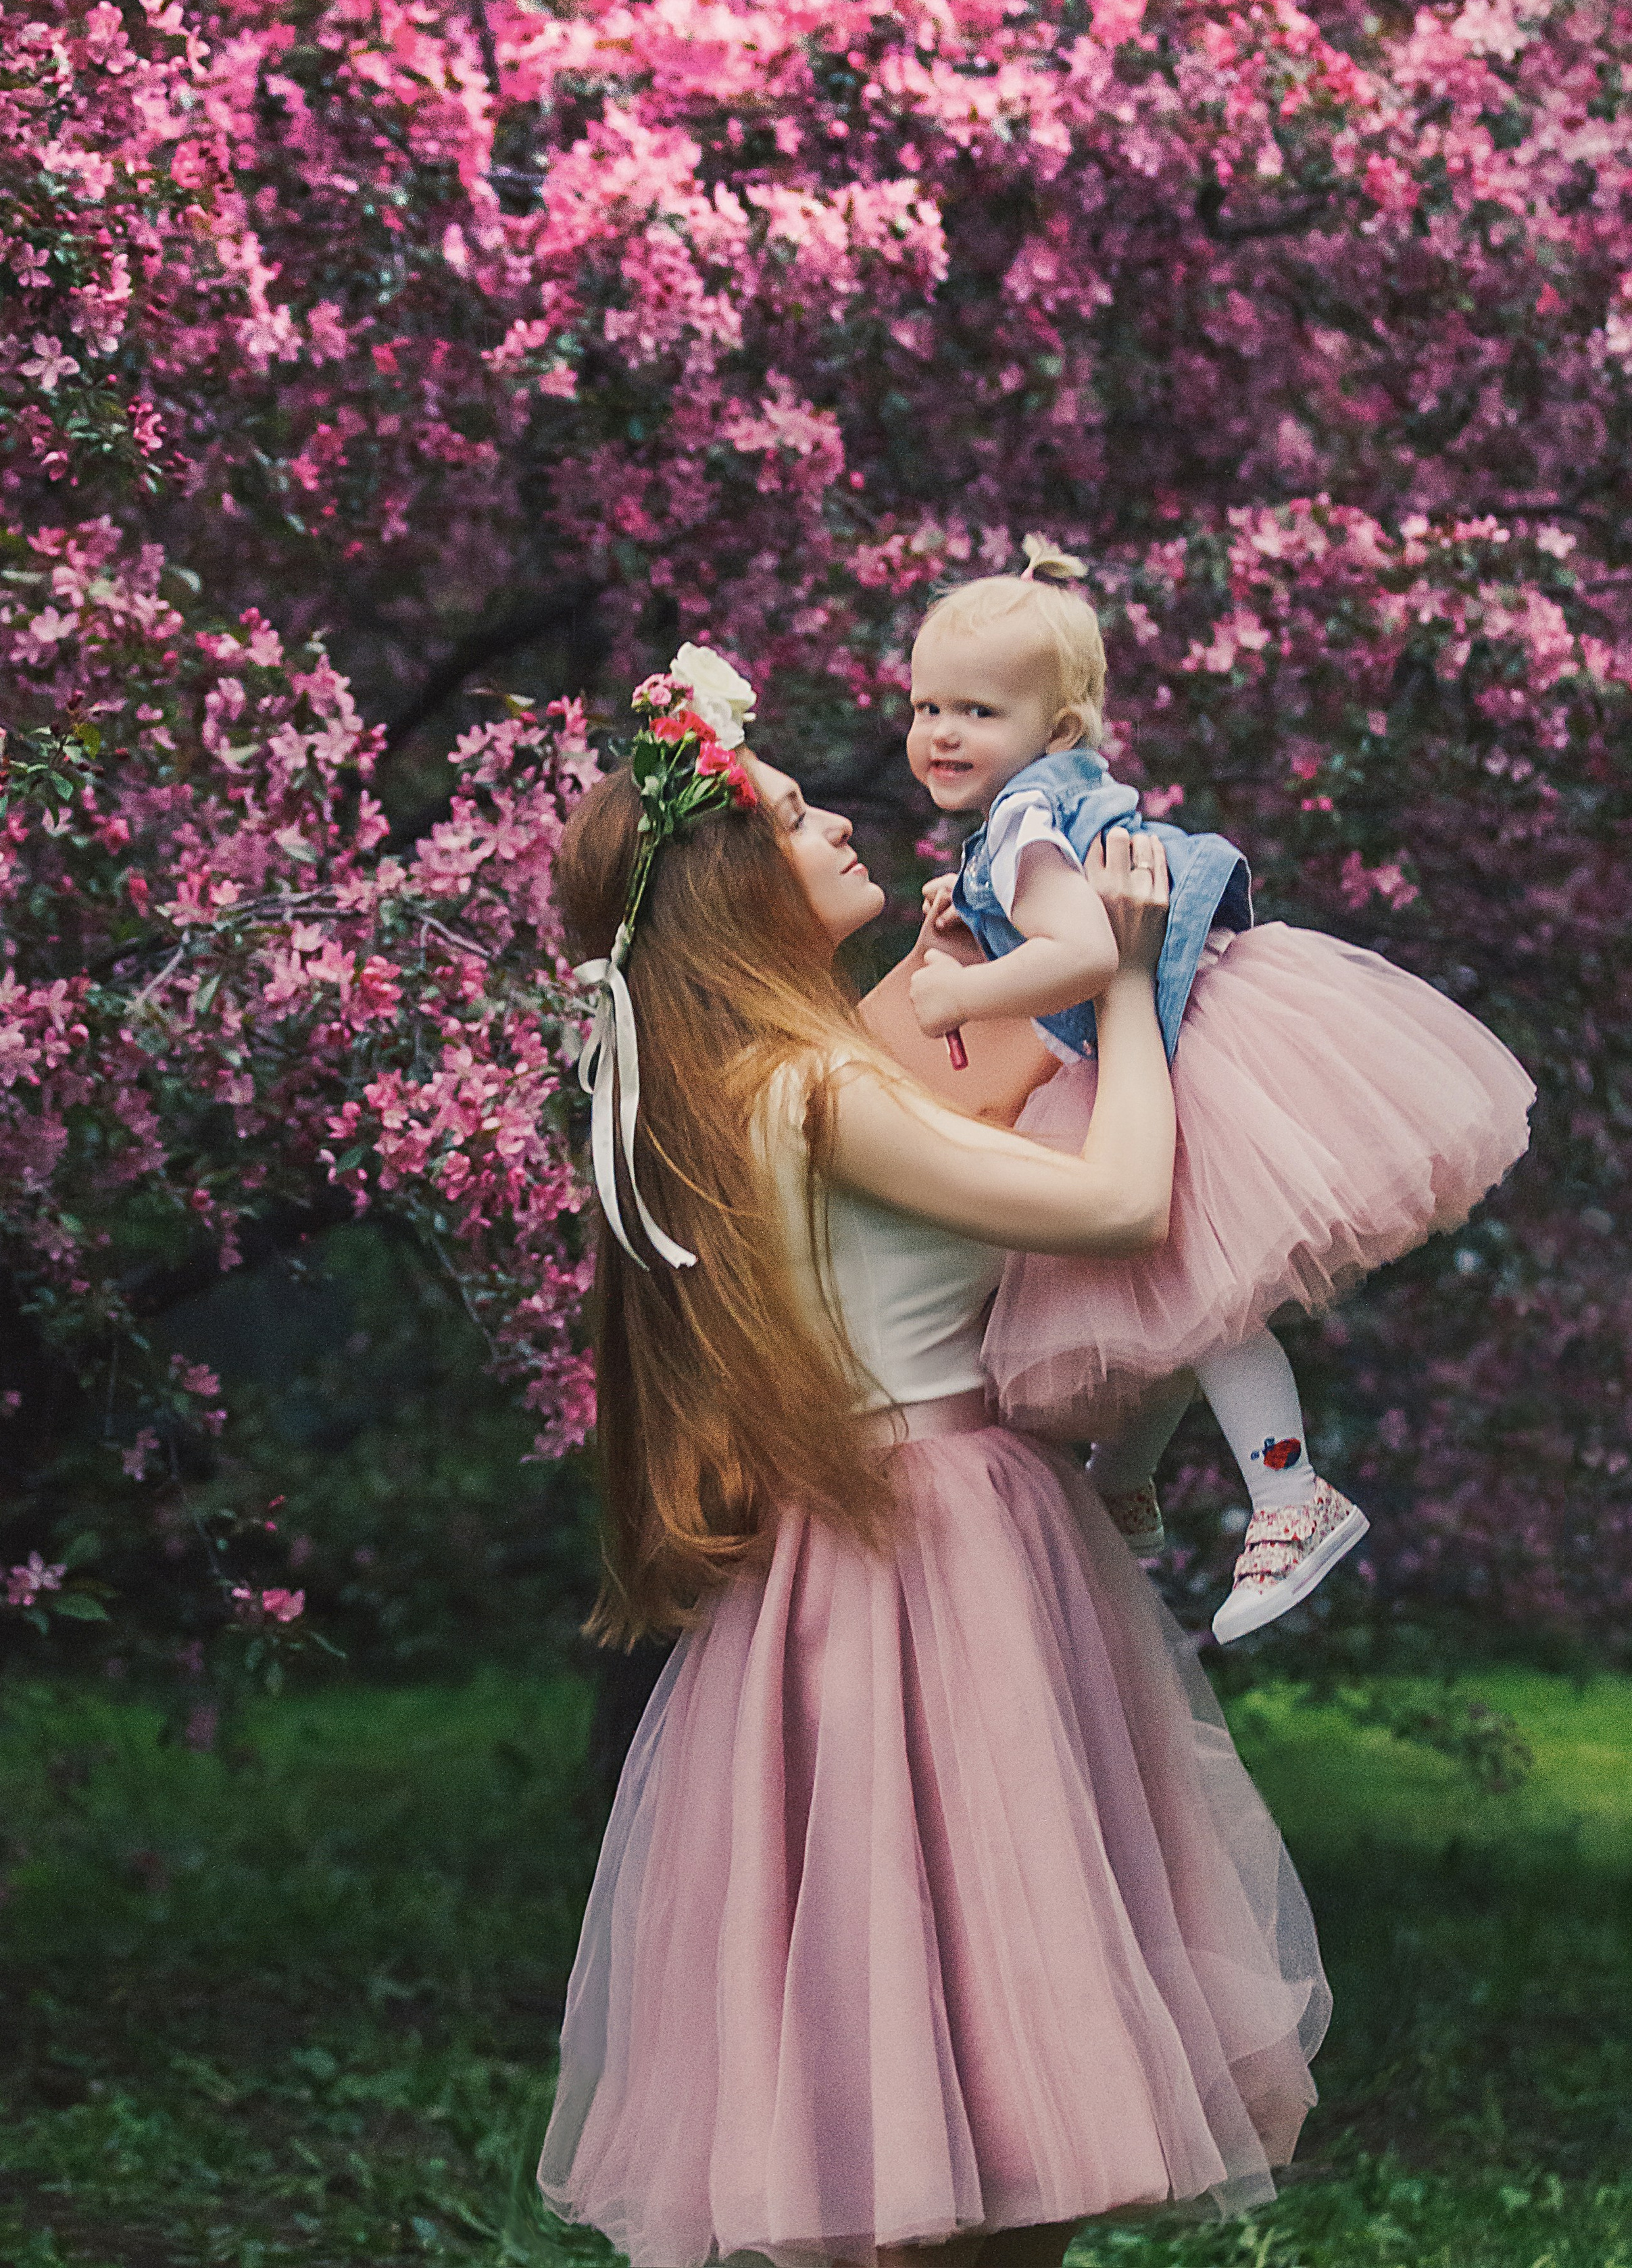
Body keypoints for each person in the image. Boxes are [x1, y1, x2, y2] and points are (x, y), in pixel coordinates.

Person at [537, 643, 1329, 2268]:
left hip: (836, 1556)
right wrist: (1124, 976)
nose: (838, 820)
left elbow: (953, 1051)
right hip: (934, 1546)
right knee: (991, 2035)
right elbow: (1117, 1201)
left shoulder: (742, 1077)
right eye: (792, 816)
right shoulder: (817, 1091)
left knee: (926, 2026)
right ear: (730, 886)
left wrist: (977, 950)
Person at [903, 541, 1536, 1643]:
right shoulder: (1047, 803)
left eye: (978, 712)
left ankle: (1290, 1497)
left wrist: (962, 993)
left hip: (1178, 1041)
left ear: (1057, 729)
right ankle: (1120, 1485)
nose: (943, 734)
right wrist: (977, 905)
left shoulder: (1019, 824)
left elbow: (1082, 953)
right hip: (1197, 1022)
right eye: (926, 708)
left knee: (1203, 1291)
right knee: (1169, 1292)